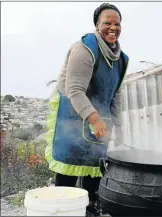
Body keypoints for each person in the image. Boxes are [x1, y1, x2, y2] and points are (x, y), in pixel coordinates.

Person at [44, 3, 128, 216]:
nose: (113, 27)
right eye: (107, 22)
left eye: (117, 23)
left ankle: (91, 208)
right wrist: (95, 119)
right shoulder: (85, 49)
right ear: (96, 25)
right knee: (69, 167)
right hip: (71, 115)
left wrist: (120, 126)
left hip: (99, 118)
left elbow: (114, 95)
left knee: (96, 166)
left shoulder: (122, 60)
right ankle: (64, 210)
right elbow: (74, 89)